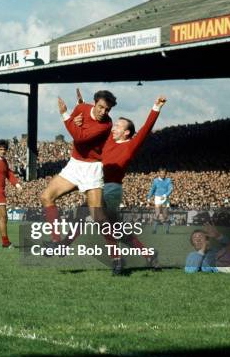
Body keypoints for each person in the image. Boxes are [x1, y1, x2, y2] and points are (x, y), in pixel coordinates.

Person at [70, 91, 167, 273]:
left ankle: (115, 259)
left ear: (127, 132)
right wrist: (83, 106)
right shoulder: (108, 140)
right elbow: (95, 124)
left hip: (110, 188)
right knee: (117, 230)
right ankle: (149, 255)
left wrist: (156, 108)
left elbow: (146, 128)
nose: (113, 127)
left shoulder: (130, 144)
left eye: (118, 126)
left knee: (87, 216)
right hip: (102, 187)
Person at [40, 90, 116, 244]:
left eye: (107, 109)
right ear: (94, 103)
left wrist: (64, 114)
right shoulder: (82, 107)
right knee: (46, 197)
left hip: (92, 168)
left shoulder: (107, 124)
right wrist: (75, 118)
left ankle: (116, 256)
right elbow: (75, 122)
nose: (103, 112)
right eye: (101, 107)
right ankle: (56, 242)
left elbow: (80, 137)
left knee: (98, 217)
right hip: (75, 164)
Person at [147, 168, 173, 234]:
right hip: (157, 198)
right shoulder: (155, 180)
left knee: (165, 216)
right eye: (161, 173)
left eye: (164, 173)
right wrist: (148, 198)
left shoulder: (168, 180)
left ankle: (167, 230)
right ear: (159, 173)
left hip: (165, 198)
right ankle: (154, 230)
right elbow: (152, 190)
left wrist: (164, 195)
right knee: (157, 214)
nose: (162, 174)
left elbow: (170, 189)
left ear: (165, 174)